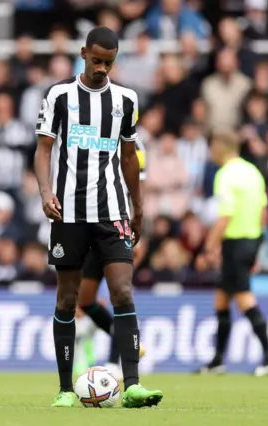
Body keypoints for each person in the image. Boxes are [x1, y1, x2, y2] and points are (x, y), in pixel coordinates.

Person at [34, 26, 163, 408]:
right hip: (69, 213)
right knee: (67, 299)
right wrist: (45, 191)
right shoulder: (59, 95)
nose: (102, 68)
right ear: (82, 54)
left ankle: (134, 384)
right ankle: (64, 388)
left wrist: (137, 207)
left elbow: (128, 157)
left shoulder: (126, 100)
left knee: (122, 291)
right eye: (96, 61)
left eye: (109, 62)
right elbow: (43, 149)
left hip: (111, 213)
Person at [195, 131, 268, 376]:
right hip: (252, 239)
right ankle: (217, 360)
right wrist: (256, 249)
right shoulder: (252, 171)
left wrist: (208, 248)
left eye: (212, 146)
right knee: (222, 298)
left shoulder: (225, 175)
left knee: (244, 298)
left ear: (222, 146)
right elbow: (264, 212)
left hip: (235, 242)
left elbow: (225, 216)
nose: (210, 152)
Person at [76, 138, 148, 380]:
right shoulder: (97, 135)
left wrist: (138, 226)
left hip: (119, 226)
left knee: (119, 292)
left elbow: (139, 187)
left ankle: (114, 360)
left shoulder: (135, 147)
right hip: (92, 223)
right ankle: (130, 343)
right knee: (85, 298)